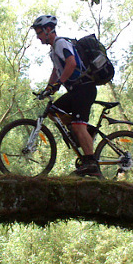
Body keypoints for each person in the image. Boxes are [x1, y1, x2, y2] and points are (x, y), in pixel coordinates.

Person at [32, 14, 101, 177]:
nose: (38, 37)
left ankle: (90, 162)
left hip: (85, 88)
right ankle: (84, 132)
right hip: (76, 90)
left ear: (48, 30)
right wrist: (49, 88)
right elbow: (57, 71)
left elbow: (72, 64)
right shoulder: (53, 51)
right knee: (53, 110)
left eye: (39, 32)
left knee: (77, 124)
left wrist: (58, 83)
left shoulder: (61, 43)